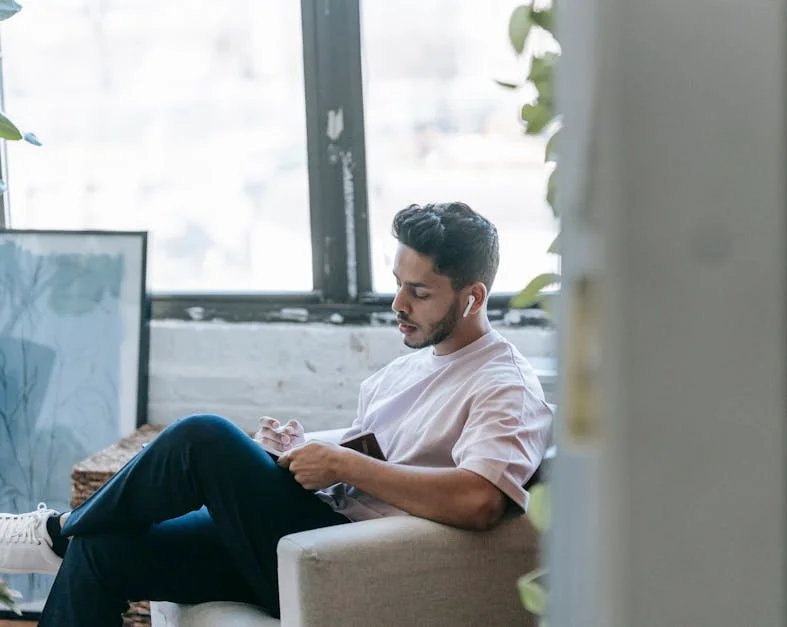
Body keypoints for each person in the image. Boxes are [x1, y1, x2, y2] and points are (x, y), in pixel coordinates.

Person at [0, 202, 553, 627]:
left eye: (418, 292)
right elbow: (384, 451)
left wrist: (343, 464)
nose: (397, 305)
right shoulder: (413, 366)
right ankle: (73, 536)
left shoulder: (504, 385)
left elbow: (481, 500)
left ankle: (53, 532)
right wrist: (300, 448)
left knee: (204, 436)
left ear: (473, 297)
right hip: (312, 525)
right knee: (101, 552)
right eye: (396, 284)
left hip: (350, 559)